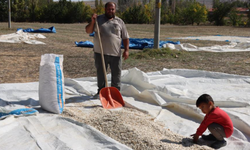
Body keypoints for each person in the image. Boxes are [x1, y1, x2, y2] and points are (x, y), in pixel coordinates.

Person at [85, 2, 129, 98]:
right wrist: (92, 21)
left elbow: (125, 37)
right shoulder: (98, 20)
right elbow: (88, 30)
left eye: (112, 9)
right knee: (101, 73)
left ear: (115, 10)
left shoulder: (120, 22)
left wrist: (126, 50)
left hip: (116, 53)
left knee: (116, 74)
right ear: (105, 9)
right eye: (109, 9)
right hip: (100, 53)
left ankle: (115, 93)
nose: (111, 11)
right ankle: (101, 92)